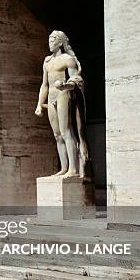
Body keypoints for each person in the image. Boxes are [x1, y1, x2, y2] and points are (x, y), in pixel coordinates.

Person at [35, 30, 90, 178]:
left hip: (63, 94)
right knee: (57, 135)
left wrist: (66, 86)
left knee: (66, 132)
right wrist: (39, 104)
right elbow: (44, 85)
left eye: (53, 40)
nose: (49, 42)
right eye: (49, 40)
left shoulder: (67, 59)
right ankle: (64, 167)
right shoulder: (47, 61)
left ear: (60, 42)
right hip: (51, 95)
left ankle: (73, 169)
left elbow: (76, 79)